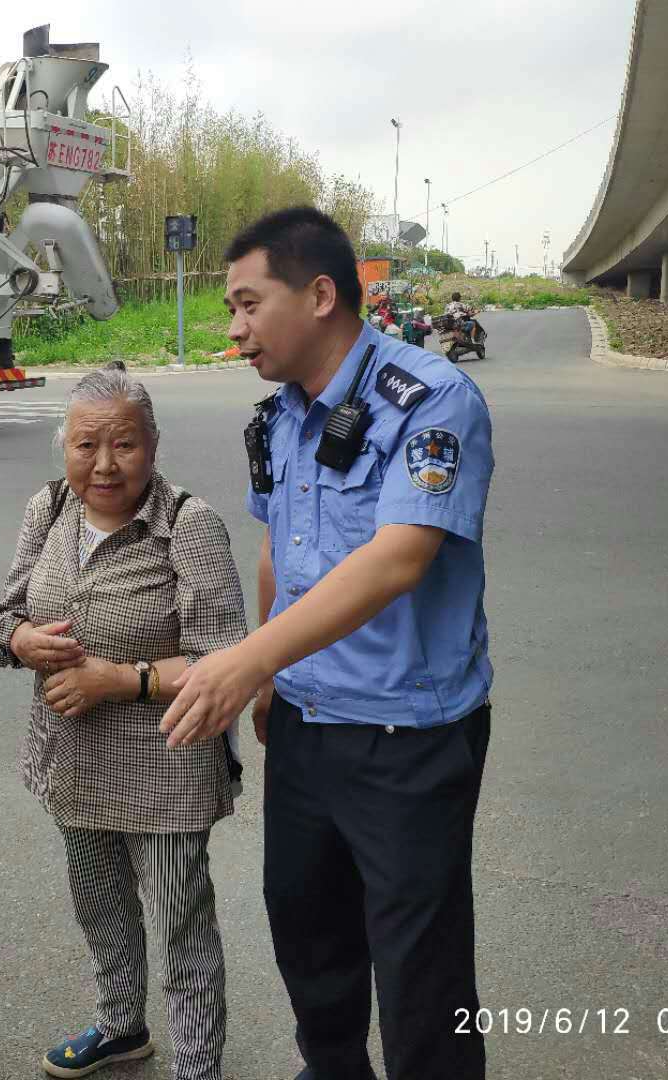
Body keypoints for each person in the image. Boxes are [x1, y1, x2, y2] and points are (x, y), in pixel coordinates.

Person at [160, 207, 495, 1080]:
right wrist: (273, 681)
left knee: (420, 969)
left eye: (246, 303)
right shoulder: (281, 418)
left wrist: (249, 660)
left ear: (318, 294)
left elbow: (398, 558)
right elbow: (280, 548)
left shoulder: (430, 399)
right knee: (309, 932)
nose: (234, 330)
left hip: (407, 740)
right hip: (306, 721)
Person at [0, 362, 248, 1080]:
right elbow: (7, 611)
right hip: (71, 761)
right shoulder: (48, 511)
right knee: (101, 907)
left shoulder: (188, 526)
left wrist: (118, 680)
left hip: (165, 767)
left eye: (125, 445)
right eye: (85, 445)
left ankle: (198, 1069)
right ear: (65, 448)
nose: (104, 464)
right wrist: (21, 640)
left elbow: (226, 660)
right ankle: (120, 1026)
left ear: (154, 445)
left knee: (181, 926)